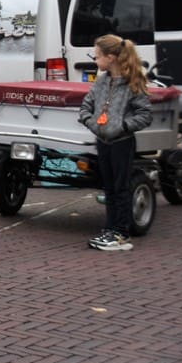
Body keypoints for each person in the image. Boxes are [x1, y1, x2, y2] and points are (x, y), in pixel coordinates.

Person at [78, 35, 153, 252]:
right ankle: (110, 228)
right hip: (103, 141)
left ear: (110, 58)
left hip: (122, 142)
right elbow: (86, 106)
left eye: (97, 56)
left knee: (121, 187)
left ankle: (121, 232)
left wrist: (122, 126)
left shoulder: (133, 82)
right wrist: (92, 124)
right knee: (109, 187)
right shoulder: (101, 81)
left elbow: (145, 115)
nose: (95, 60)